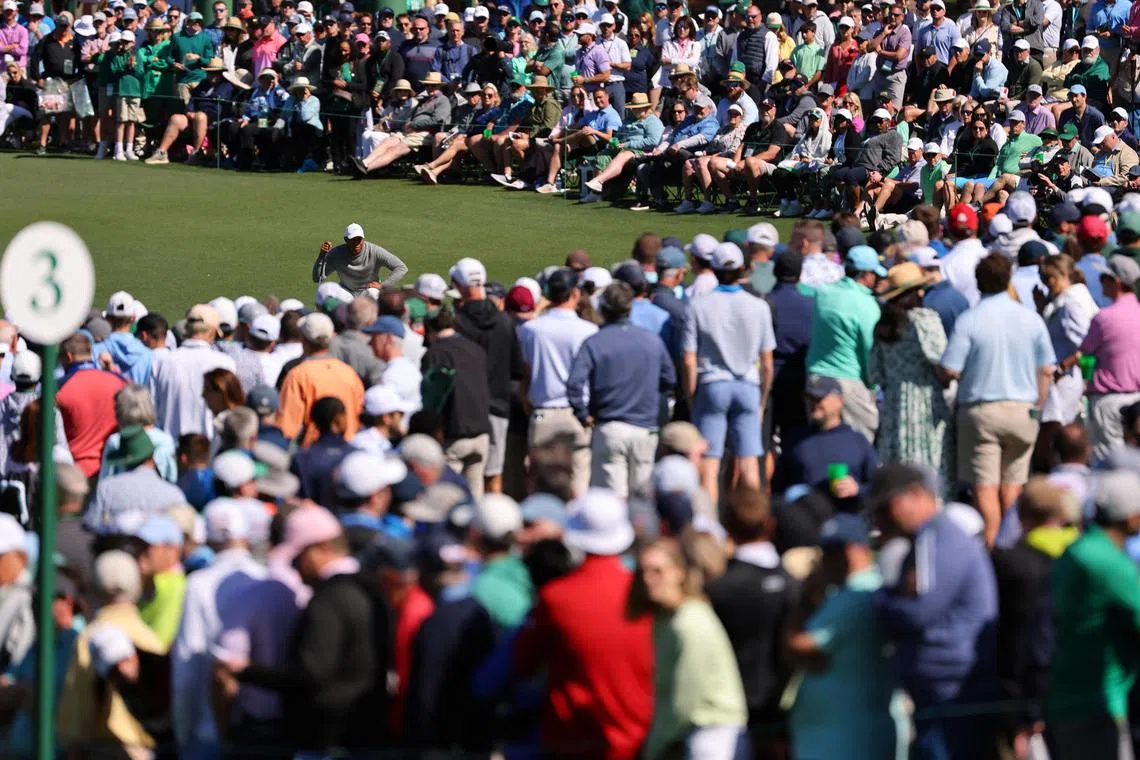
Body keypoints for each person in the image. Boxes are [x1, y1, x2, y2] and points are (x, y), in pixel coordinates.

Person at [220, 506, 392, 757]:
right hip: (364, 733)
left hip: (326, 737)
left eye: (297, 559)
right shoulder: (372, 589)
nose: (296, 570)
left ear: (319, 549)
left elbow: (310, 674)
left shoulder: (328, 599)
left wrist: (247, 671)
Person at [870, 463, 999, 760]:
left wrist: (879, 599)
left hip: (954, 695)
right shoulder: (926, 539)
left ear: (915, 494)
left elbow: (917, 612)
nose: (881, 519)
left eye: (886, 507)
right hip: (941, 692)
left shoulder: (941, 539)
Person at [514, 488, 652, 760]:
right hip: (638, 739)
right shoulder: (645, 593)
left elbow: (522, 662)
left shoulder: (556, 598)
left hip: (573, 741)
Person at [940, 253, 1057, 545]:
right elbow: (1046, 368)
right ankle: (1016, 547)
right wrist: (1038, 406)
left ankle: (995, 551)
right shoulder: (1030, 319)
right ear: (1008, 280)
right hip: (1022, 411)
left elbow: (950, 368)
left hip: (981, 411)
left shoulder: (970, 320)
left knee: (985, 488)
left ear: (979, 283)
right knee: (1014, 486)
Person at [786, 514, 903, 760]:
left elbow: (797, 646)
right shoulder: (859, 592)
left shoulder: (855, 596)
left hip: (847, 742)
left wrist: (806, 596)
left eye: (832, 552)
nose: (825, 561)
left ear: (855, 552)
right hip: (847, 738)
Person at [1046, 470, 1140, 759]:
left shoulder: (1076, 550)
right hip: (1098, 707)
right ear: (1132, 517)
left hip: (1062, 700)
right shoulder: (1108, 563)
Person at [636, 536, 749, 760]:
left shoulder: (689, 622)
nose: (648, 579)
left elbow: (685, 701)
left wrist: (653, 747)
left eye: (657, 571)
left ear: (679, 572)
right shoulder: (668, 619)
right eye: (643, 572)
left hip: (712, 738)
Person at [705, 488, 797, 758]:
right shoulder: (795, 587)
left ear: (727, 527)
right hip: (781, 720)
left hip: (731, 718)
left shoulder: (716, 591)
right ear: (770, 524)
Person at [682, 242, 774, 504]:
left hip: (712, 386)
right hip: (747, 386)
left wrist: (691, 396)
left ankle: (710, 528)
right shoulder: (759, 306)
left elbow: (689, 360)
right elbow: (767, 363)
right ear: (743, 269)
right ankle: (753, 526)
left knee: (709, 467)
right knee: (749, 465)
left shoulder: (698, 305)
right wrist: (762, 400)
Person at [567, 282, 675, 499]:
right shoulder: (651, 340)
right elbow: (669, 380)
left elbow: (574, 385)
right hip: (644, 428)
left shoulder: (595, 342)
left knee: (612, 501)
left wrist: (583, 415)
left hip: (611, 428)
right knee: (642, 501)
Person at [58, 551, 168, 758]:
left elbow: (78, 701)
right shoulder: (149, 638)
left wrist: (71, 743)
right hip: (145, 750)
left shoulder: (89, 637)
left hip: (101, 749)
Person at [871, 262, 953, 485]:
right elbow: (942, 363)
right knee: (929, 463)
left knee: (897, 465)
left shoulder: (883, 326)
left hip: (894, 403)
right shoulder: (925, 320)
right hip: (926, 399)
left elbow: (875, 373)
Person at [518, 268, 599, 496]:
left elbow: (525, 374)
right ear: (574, 293)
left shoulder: (530, 329)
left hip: (543, 412)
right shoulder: (589, 330)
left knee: (540, 483)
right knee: (579, 480)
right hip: (577, 415)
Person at [452, 257, 524, 496]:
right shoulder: (505, 322)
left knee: (463, 479)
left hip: (464, 412)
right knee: (493, 476)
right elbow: (517, 368)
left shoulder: (458, 323)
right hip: (498, 408)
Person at [804, 245, 884, 443]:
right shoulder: (867, 306)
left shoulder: (823, 294)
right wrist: (872, 386)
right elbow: (869, 352)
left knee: (821, 444)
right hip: (848, 383)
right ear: (866, 275)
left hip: (815, 378)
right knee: (862, 442)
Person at [421, 308, 493, 499]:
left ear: (430, 329)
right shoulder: (475, 349)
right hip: (481, 434)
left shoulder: (434, 354)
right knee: (475, 497)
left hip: (453, 437)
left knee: (447, 498)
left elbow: (431, 399)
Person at [1077, 255, 1140, 461]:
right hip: (1137, 398)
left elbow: (1085, 350)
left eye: (1105, 277)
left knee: (1109, 464)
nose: (1101, 281)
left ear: (1117, 282)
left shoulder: (1104, 318)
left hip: (1109, 400)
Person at [149, 303, 236, 441]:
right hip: (210, 450)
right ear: (212, 332)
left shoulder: (162, 362)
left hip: (171, 450)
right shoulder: (225, 363)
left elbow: (152, 410)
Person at [277, 313, 365, 447]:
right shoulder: (349, 373)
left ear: (303, 339)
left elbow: (288, 428)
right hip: (348, 451)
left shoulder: (297, 375)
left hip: (312, 453)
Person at [55, 331, 128, 479]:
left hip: (74, 473)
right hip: (114, 468)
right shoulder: (119, 381)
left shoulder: (57, 388)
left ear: (68, 357)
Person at [312, 222, 408, 296]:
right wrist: (321, 257)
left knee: (373, 293)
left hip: (368, 292)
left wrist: (384, 285)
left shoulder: (375, 251)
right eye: (353, 240)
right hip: (346, 292)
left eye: (359, 239)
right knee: (327, 292)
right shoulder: (337, 254)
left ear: (363, 239)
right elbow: (318, 278)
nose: (357, 243)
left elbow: (401, 267)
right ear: (346, 240)